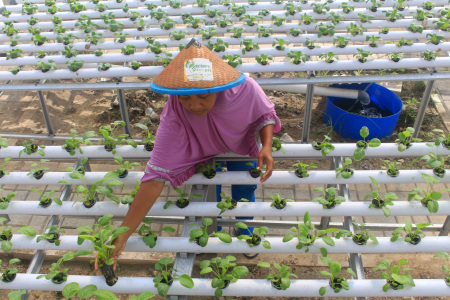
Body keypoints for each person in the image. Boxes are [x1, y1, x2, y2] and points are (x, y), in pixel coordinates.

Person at [106, 38, 281, 269]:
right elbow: (154, 177)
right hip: (204, 147)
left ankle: (245, 232)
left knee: (245, 186)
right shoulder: (175, 110)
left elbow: (264, 113)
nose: (195, 105)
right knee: (212, 189)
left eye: (203, 96)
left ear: (217, 87)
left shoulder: (245, 88)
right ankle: (214, 231)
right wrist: (122, 235)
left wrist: (266, 146)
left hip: (241, 143)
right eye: (186, 97)